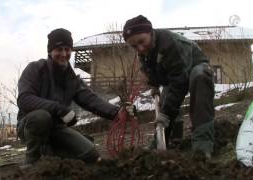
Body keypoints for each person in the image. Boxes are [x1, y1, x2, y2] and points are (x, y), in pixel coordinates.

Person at [17, 28, 134, 166]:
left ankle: (52, 152)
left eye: (67, 49)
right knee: (42, 117)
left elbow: (91, 100)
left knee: (91, 155)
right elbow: (24, 99)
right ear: (50, 51)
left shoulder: (72, 79)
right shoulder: (35, 69)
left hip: (56, 128)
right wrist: (58, 109)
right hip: (30, 125)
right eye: (59, 49)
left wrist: (117, 112)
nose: (64, 54)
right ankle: (31, 161)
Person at [122, 15, 215, 157]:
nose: (139, 48)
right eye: (134, 46)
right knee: (167, 103)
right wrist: (153, 85)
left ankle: (202, 146)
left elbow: (180, 83)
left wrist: (165, 113)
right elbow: (150, 70)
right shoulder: (144, 51)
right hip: (173, 76)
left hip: (196, 68)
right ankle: (171, 141)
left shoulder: (170, 43)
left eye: (141, 42)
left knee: (198, 78)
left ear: (150, 32)